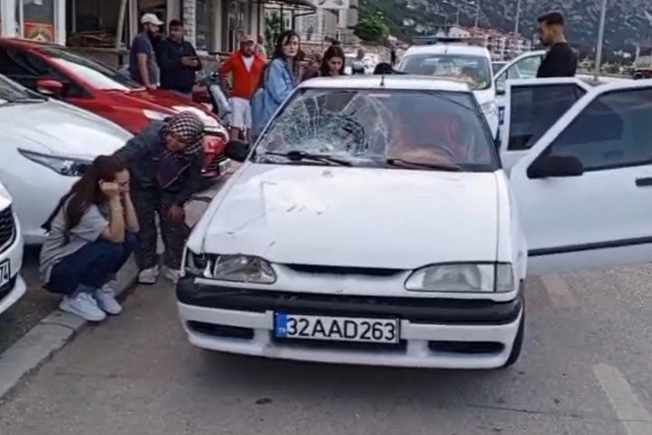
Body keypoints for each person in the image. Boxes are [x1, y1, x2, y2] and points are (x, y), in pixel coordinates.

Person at [39, 156, 139, 322]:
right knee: (113, 247)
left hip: (81, 254)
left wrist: (126, 195)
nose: (125, 187)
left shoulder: (106, 196)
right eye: (121, 184)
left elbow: (134, 228)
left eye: (127, 182)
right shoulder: (82, 206)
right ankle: (75, 297)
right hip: (58, 269)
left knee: (131, 239)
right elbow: (116, 238)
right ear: (103, 184)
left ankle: (96, 286)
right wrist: (115, 199)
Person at [113, 111, 205, 284]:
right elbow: (128, 153)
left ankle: (174, 265)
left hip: (171, 188)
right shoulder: (151, 137)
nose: (173, 142)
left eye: (181, 140)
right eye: (172, 136)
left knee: (173, 225)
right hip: (142, 184)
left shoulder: (196, 152)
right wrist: (108, 169)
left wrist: (179, 202)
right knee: (143, 225)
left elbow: (193, 180)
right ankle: (147, 265)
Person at [251, 30, 300, 138]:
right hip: (272, 119)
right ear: (281, 46)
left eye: (295, 43)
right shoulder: (276, 65)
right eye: (288, 43)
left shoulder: (291, 66)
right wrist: (298, 100)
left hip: (283, 118)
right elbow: (280, 95)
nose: (292, 47)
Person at [219, 34, 266, 141]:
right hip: (237, 97)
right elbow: (222, 72)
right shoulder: (234, 58)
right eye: (245, 44)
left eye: (250, 44)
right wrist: (225, 89)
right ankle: (234, 146)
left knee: (251, 126)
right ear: (241, 45)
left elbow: (265, 77)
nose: (248, 47)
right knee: (235, 124)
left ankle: (250, 147)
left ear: (254, 45)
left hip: (253, 99)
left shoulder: (260, 60)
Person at [157, 19, 202, 98]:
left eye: (176, 30)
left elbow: (198, 64)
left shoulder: (187, 46)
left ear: (182, 32)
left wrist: (195, 64)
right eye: (171, 30)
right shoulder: (164, 45)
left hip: (187, 90)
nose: (173, 33)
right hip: (171, 89)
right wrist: (180, 62)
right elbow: (163, 63)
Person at [535, 12, 577, 78]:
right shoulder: (559, 53)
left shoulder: (561, 55)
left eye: (542, 31)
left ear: (554, 30)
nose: (539, 36)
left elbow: (551, 82)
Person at [129, 12, 163, 90]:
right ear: (145, 26)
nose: (157, 29)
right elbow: (142, 63)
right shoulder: (141, 40)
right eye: (154, 26)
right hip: (142, 85)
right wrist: (147, 84)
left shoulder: (147, 40)